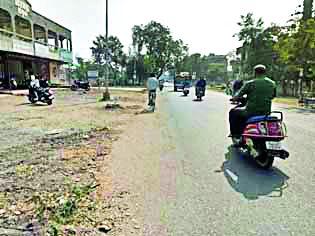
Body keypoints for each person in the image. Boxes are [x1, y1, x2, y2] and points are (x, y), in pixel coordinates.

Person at [229, 65, 277, 139]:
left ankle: (235, 134)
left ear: (255, 73)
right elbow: (273, 96)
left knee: (232, 112)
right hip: (266, 112)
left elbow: (237, 96)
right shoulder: (272, 83)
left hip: (250, 112)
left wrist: (234, 98)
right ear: (265, 72)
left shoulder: (250, 83)